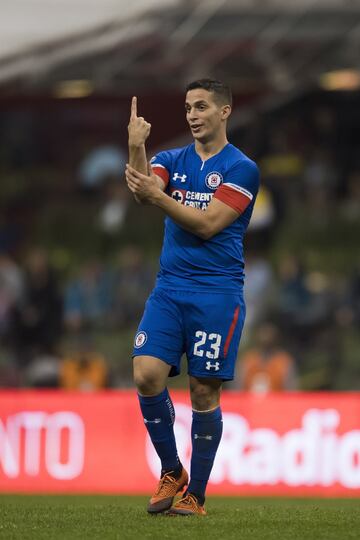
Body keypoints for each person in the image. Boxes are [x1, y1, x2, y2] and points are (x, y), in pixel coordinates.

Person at [125, 79, 259, 516]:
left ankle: (196, 496)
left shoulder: (242, 168)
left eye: (201, 107)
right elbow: (144, 186)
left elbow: (206, 225)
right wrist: (135, 147)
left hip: (217, 292)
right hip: (170, 288)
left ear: (225, 112)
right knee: (146, 373)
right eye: (187, 108)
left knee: (203, 391)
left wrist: (157, 197)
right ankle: (171, 471)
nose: (193, 115)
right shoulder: (171, 159)